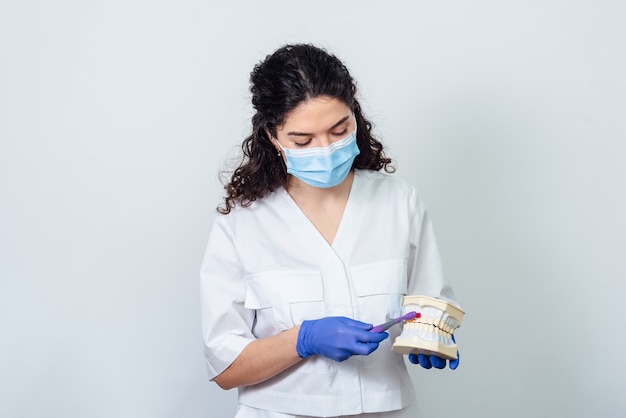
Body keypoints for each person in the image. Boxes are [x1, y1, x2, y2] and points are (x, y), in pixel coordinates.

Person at [200, 43, 460, 418]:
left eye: (339, 130)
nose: (325, 149)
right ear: (273, 136)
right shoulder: (242, 222)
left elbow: (429, 311)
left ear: (354, 116)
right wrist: (302, 340)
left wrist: (432, 338)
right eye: (303, 141)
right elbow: (225, 368)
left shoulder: (398, 202)